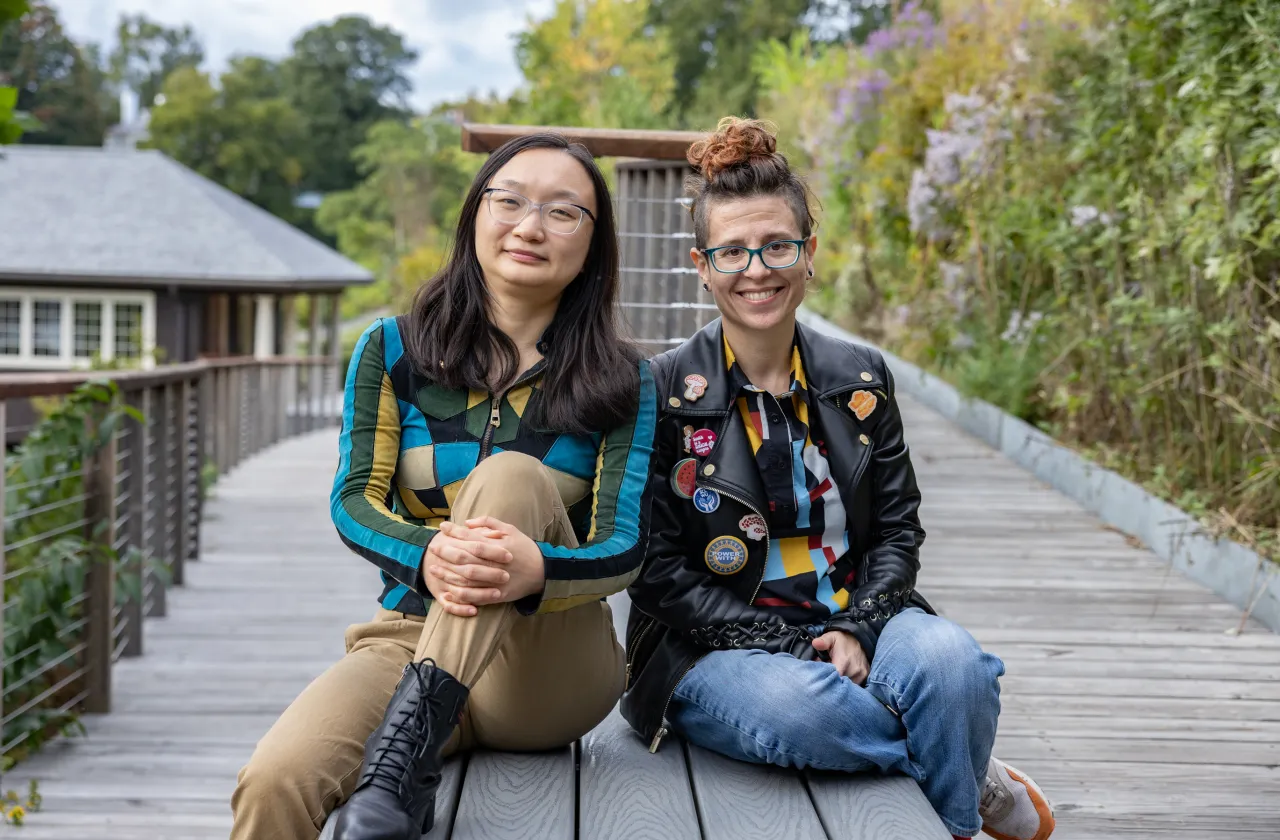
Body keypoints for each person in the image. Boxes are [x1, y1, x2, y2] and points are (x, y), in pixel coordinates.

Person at [620, 117, 1055, 840]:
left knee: (957, 669)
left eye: (777, 246)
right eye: (731, 252)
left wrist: (857, 625)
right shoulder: (661, 390)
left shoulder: (860, 376)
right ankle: (963, 769)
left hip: (859, 618)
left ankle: (949, 823)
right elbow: (658, 573)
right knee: (805, 712)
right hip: (714, 647)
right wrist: (787, 644)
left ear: (808, 252)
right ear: (702, 265)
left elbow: (896, 529)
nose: (756, 270)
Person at [230, 132, 659, 840]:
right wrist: (427, 559)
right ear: (475, 214)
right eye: (510, 200)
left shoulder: (623, 379)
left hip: (547, 662)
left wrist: (538, 571)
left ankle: (399, 765)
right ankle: (413, 745)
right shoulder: (393, 349)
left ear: (593, 244)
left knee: (512, 477)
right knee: (274, 781)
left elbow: (625, 546)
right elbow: (352, 501)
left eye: (563, 212)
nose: (529, 226)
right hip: (407, 635)